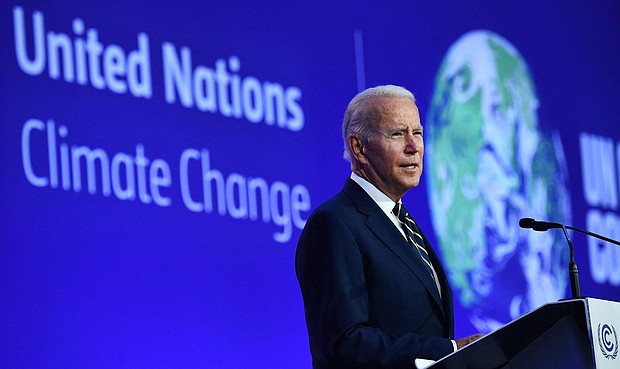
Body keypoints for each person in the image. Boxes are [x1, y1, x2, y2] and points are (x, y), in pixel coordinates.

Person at [295, 85, 483, 368]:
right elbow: (343, 344)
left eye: (417, 133)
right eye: (398, 134)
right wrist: (450, 349)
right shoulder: (335, 223)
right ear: (359, 148)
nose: (414, 146)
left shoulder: (404, 224)